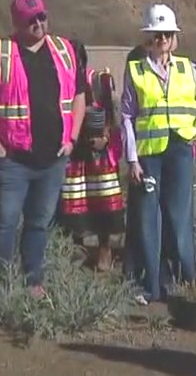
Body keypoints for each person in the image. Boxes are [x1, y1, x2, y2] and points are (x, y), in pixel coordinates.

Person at [0, 0, 86, 297]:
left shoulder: (65, 49)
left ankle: (33, 281)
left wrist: (72, 138)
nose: (38, 24)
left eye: (42, 17)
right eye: (31, 19)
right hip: (13, 159)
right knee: (5, 223)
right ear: (17, 21)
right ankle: (1, 284)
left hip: (53, 158)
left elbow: (79, 96)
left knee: (39, 223)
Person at [121, 3, 196, 305]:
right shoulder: (135, 70)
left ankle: (185, 279)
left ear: (174, 38)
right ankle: (151, 284)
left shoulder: (187, 68)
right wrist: (132, 158)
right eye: (156, 35)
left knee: (179, 217)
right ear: (147, 39)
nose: (162, 40)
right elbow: (126, 116)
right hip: (149, 155)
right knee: (149, 219)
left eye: (167, 34)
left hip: (179, 150)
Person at [57, 56, 124, 271]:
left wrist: (105, 137)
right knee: (73, 201)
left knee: (103, 198)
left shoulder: (100, 81)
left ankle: (105, 249)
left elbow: (113, 111)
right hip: (73, 149)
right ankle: (78, 249)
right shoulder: (59, 80)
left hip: (98, 151)